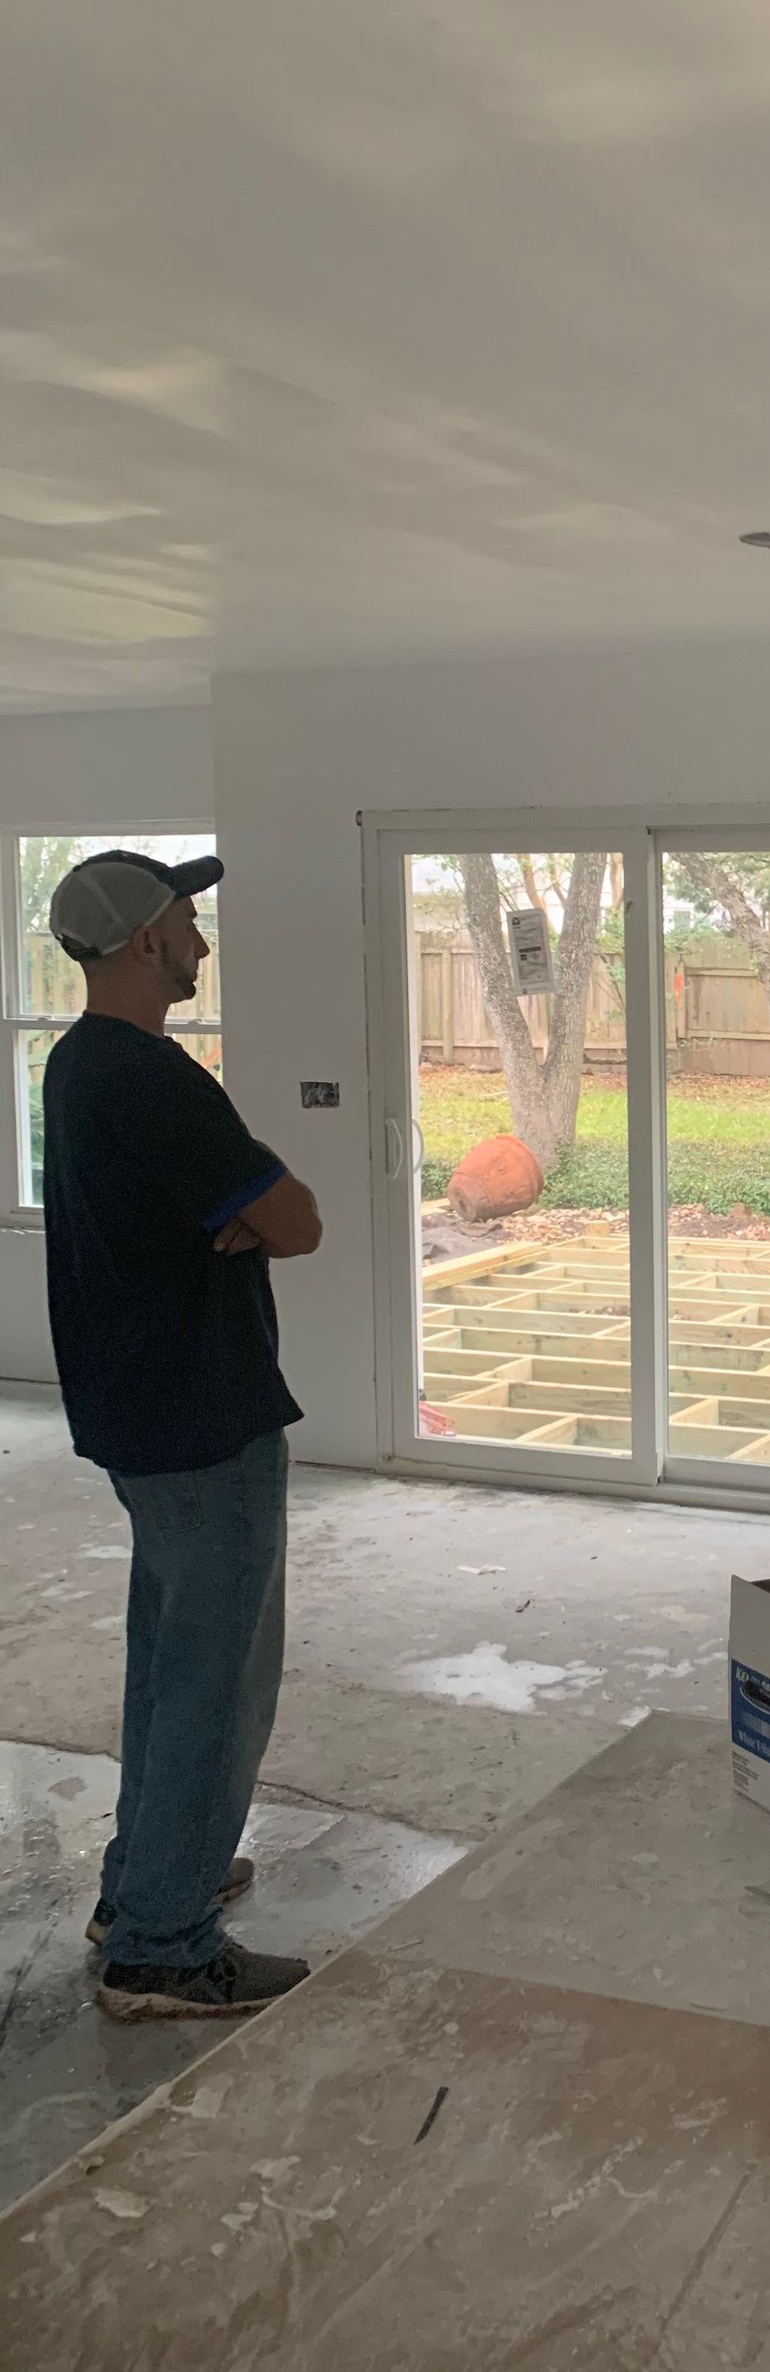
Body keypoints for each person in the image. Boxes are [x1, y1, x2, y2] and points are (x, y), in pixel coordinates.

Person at [40, 850, 324, 2022]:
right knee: (218, 1677)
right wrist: (252, 1228)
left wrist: (240, 1227)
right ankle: (162, 1945)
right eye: (189, 923)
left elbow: (247, 1220)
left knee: (166, 1660)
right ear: (146, 942)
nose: (203, 941)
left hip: (135, 1407)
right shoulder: (155, 1078)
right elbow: (296, 1220)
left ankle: (147, 1880)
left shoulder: (76, 1063)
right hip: (204, 1414)